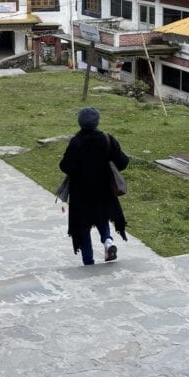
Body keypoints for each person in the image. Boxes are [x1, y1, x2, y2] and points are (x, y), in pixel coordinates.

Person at [58, 107, 130, 265]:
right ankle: (108, 241)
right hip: (103, 191)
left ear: (80, 123)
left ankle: (88, 261)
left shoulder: (76, 142)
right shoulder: (106, 138)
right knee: (102, 218)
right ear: (97, 122)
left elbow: (65, 166)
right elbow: (123, 162)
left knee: (83, 228)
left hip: (80, 193)